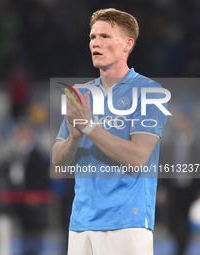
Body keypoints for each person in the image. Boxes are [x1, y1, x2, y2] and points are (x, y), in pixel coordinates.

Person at [52, 8, 168, 255]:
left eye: (105, 36)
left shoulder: (149, 92)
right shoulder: (80, 95)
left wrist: (89, 128)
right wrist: (74, 138)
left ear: (128, 45)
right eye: (93, 37)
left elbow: (137, 158)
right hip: (81, 224)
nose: (95, 42)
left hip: (127, 224)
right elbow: (58, 161)